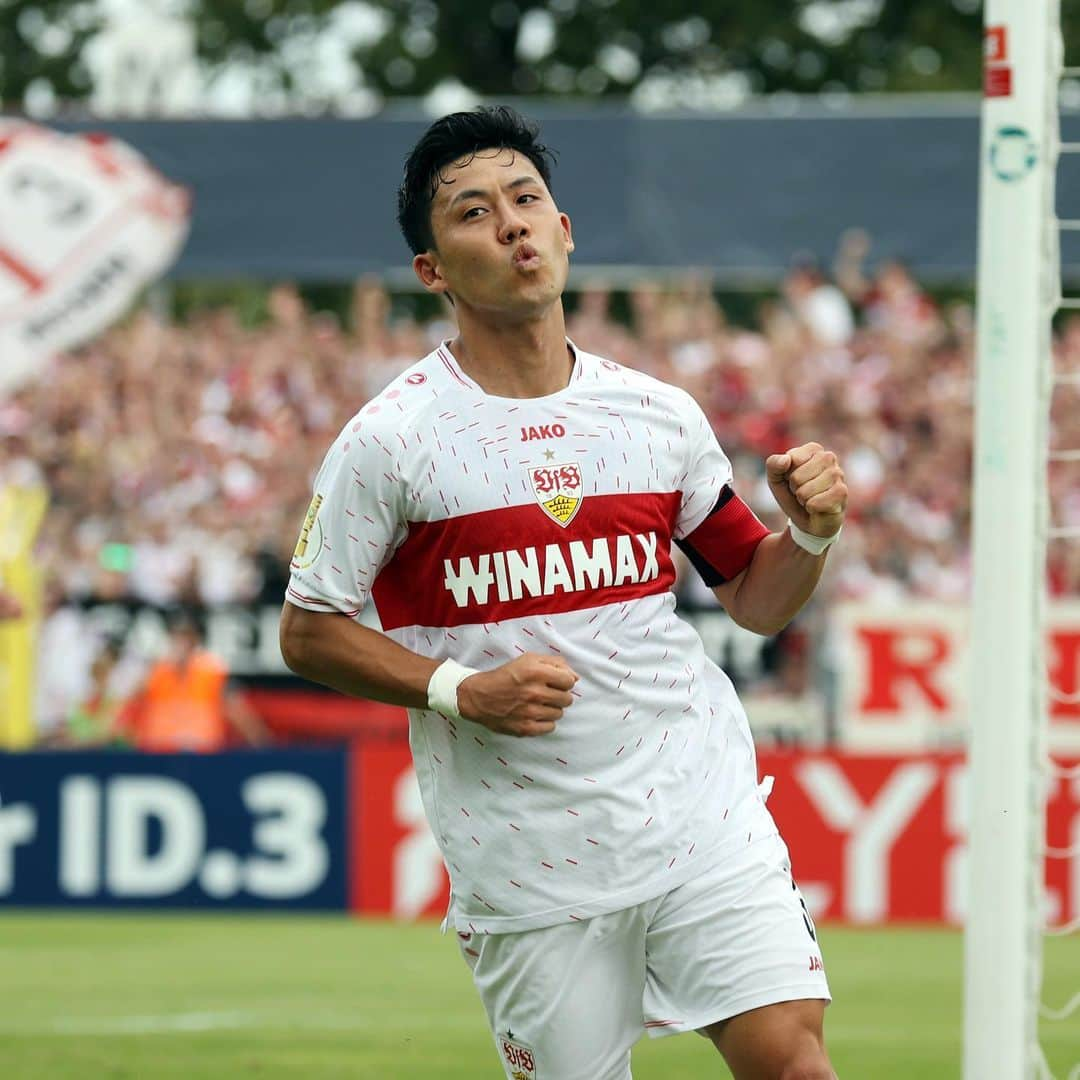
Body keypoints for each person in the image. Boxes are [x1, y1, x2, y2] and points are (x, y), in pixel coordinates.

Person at [280, 106, 847, 1080]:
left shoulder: (658, 417)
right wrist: (463, 691)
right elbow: (308, 632)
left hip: (696, 810)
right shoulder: (392, 440)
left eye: (527, 200)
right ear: (433, 271)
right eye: (472, 212)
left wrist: (811, 532)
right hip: (530, 859)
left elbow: (755, 597)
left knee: (792, 1062)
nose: (511, 224)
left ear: (565, 230)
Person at [124, 612, 269, 752]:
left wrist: (261, 742)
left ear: (196, 639)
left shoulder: (211, 668)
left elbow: (236, 709)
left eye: (186, 636)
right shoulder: (157, 668)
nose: (181, 642)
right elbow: (131, 702)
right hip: (160, 751)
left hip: (202, 751)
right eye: (177, 636)